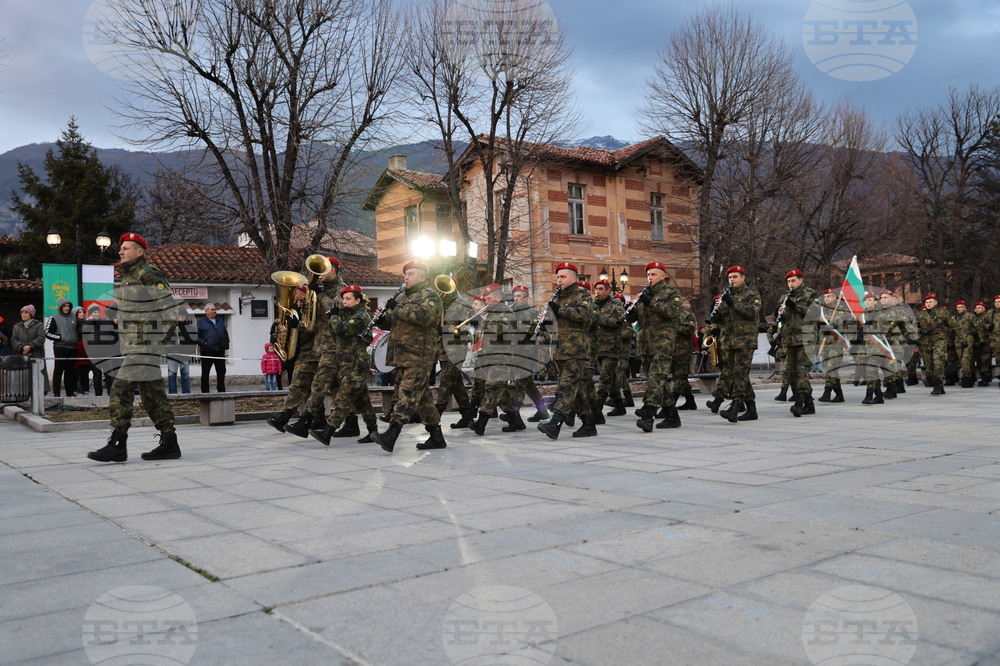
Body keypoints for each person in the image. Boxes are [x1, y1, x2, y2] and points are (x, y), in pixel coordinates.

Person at [88, 232, 181, 462]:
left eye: (127, 248)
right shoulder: (129, 278)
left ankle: (117, 444)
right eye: (121, 248)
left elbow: (170, 312)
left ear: (140, 252)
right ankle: (170, 443)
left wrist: (154, 343)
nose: (121, 251)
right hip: (133, 345)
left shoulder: (149, 274)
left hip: (145, 346)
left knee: (120, 388)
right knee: (153, 396)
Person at [371, 260, 446, 452]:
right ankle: (436, 437)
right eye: (405, 274)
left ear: (422, 276)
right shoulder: (402, 296)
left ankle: (391, 434)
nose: (406, 277)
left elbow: (424, 317)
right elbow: (393, 325)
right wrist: (383, 318)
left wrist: (397, 308)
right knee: (422, 399)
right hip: (402, 355)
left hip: (419, 355)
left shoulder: (431, 296)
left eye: (411, 273)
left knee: (406, 395)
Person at [284, 257, 346, 438]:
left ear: (333, 270)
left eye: (322, 271)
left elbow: (336, 308)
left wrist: (321, 295)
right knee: (337, 388)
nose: (318, 276)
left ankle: (305, 421)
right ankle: (350, 423)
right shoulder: (319, 291)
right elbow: (312, 323)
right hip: (318, 347)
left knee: (320, 385)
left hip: (334, 346)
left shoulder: (342, 290)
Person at [309, 285, 379, 444]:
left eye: (348, 299)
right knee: (363, 401)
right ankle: (373, 431)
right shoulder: (349, 314)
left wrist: (334, 316)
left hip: (355, 363)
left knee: (343, 397)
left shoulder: (361, 316)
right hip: (347, 362)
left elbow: (342, 330)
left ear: (358, 300)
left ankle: (328, 430)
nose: (344, 302)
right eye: (344, 299)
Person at [536, 263, 597, 439]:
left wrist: (559, 310)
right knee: (576, 392)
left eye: (562, 277)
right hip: (560, 349)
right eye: (558, 277)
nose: (559, 280)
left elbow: (585, 315)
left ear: (572, 278)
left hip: (576, 349)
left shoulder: (582, 294)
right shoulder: (557, 297)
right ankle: (588, 424)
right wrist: (545, 322)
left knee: (566, 388)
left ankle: (555, 423)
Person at [628, 261, 685, 432]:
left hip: (663, 344)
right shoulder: (644, 294)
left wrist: (649, 302)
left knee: (655, 379)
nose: (650, 278)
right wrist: (630, 310)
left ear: (663, 276)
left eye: (653, 274)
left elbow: (673, 312)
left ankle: (648, 414)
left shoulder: (671, 292)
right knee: (658, 381)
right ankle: (673, 416)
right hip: (646, 345)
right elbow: (634, 319)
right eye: (648, 275)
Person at [707, 266, 762, 422]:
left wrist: (732, 304)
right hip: (729, 342)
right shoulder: (726, 295)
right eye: (730, 277)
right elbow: (720, 319)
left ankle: (735, 406)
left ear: (743, 278)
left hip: (745, 341)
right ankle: (751, 409)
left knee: (739, 374)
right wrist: (715, 311)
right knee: (738, 374)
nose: (732, 280)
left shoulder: (751, 294)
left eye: (735, 277)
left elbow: (752, 313)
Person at [777, 269, 819, 417]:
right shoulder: (785, 297)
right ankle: (809, 405)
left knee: (802, 372)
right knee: (792, 373)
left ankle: (799, 403)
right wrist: (780, 312)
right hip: (789, 340)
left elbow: (815, 313)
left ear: (801, 280)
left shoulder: (810, 294)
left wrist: (795, 306)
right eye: (788, 281)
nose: (791, 284)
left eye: (793, 280)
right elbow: (779, 317)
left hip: (806, 339)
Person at [593, 280, 627, 418]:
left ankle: (597, 409)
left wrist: (597, 318)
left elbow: (617, 322)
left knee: (605, 378)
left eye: (601, 289)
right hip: (597, 347)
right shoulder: (593, 305)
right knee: (610, 378)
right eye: (596, 289)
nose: (598, 292)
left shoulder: (616, 304)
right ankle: (619, 405)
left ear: (608, 290)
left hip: (611, 348)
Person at [915, 294, 954, 395]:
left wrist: (962, 339)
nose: (928, 304)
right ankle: (938, 385)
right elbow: (913, 328)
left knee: (938, 361)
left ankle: (938, 384)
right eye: (927, 302)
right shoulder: (920, 315)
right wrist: (920, 331)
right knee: (929, 364)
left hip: (940, 340)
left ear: (936, 303)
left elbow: (955, 326)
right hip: (926, 342)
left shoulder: (943, 313)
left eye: (930, 302)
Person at [11, 305, 49, 394]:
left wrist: (30, 346)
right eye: (22, 312)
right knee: (23, 376)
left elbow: (41, 338)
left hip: (36, 354)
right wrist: (22, 347)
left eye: (26, 312)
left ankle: (40, 392)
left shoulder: (38, 325)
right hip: (22, 355)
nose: (23, 314)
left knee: (38, 375)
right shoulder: (17, 326)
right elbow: (13, 340)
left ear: (31, 314)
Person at [47, 298, 80, 397]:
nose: (67, 308)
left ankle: (69, 392)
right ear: (60, 307)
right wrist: (60, 338)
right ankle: (56, 393)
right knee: (58, 370)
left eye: (68, 306)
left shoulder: (74, 318)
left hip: (73, 347)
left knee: (70, 371)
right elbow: (47, 333)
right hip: (60, 347)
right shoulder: (54, 318)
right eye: (65, 306)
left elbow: (79, 330)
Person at [197, 303, 229, 393]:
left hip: (219, 350)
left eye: (215, 309)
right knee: (205, 373)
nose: (214, 311)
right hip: (207, 351)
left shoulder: (220, 320)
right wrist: (204, 343)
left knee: (221, 372)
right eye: (212, 309)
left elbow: (225, 332)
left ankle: (221, 390)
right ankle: (205, 391)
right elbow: (196, 336)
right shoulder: (201, 322)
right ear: (206, 311)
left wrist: (226, 341)